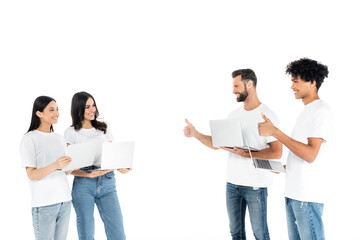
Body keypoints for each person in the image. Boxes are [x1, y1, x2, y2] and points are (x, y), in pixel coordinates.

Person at [184, 69, 282, 240]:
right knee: (236, 233)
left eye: (236, 86)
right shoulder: (233, 114)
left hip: (255, 186)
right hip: (232, 185)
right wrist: (196, 134)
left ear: (249, 84)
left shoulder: (267, 115)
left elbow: (277, 152)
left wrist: (246, 154)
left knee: (260, 234)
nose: (233, 90)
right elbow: (218, 144)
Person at [258, 58, 332, 240]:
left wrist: (275, 132)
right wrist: (282, 168)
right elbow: (301, 153)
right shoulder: (306, 112)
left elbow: (310, 154)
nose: (292, 87)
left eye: (296, 81)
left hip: (306, 198)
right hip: (293, 195)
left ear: (312, 82)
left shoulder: (321, 111)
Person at [64, 91, 130, 240]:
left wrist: (122, 166)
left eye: (93, 105)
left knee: (118, 233)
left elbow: (113, 155)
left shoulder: (104, 126)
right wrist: (87, 174)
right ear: (78, 108)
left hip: (107, 181)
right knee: (86, 234)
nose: (92, 110)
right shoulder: (70, 133)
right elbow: (69, 167)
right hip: (83, 185)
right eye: (87, 107)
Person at [20, 96, 72, 240]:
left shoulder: (60, 138)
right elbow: (32, 174)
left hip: (65, 202)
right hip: (44, 204)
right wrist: (55, 165)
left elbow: (64, 172)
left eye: (57, 109)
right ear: (39, 113)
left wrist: (75, 162)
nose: (56, 113)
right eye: (51, 110)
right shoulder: (29, 139)